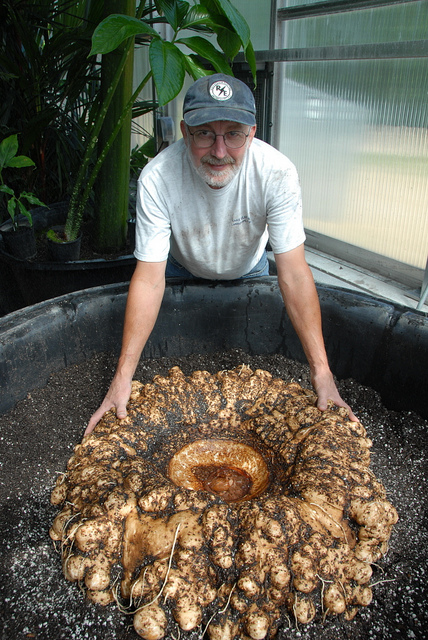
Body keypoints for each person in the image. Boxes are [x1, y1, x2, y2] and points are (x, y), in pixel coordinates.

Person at [86, 73, 356, 434]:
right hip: (181, 271)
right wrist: (122, 380)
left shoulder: (276, 173)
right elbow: (150, 278)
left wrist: (322, 373)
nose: (219, 150)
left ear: (252, 132)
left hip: (250, 272)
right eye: (204, 133)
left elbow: (292, 272)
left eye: (233, 133)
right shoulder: (158, 178)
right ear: (185, 131)